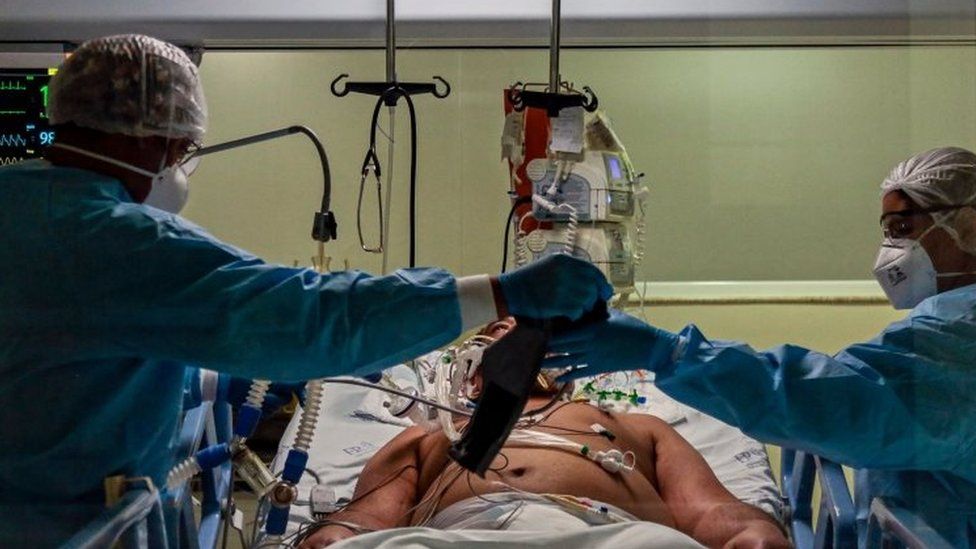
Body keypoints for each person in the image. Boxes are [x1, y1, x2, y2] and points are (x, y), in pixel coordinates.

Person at [0, 34, 612, 547]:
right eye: (185, 150)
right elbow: (309, 317)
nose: (183, 164)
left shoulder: (23, 205)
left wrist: (197, 377)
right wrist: (497, 294)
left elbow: (61, 357)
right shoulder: (117, 242)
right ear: (155, 140)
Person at [546, 147, 976, 547]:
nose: (891, 250)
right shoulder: (946, 321)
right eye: (887, 232)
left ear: (969, 227)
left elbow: (838, 400)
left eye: (902, 230)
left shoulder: (959, 335)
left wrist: (672, 355)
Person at [297, 318, 789, 549]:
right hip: (462, 538)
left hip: (613, 537)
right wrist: (336, 536)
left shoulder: (638, 428)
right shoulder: (432, 435)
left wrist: (754, 532)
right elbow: (368, 519)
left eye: (536, 334)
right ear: (469, 372)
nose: (521, 335)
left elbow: (709, 509)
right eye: (500, 330)